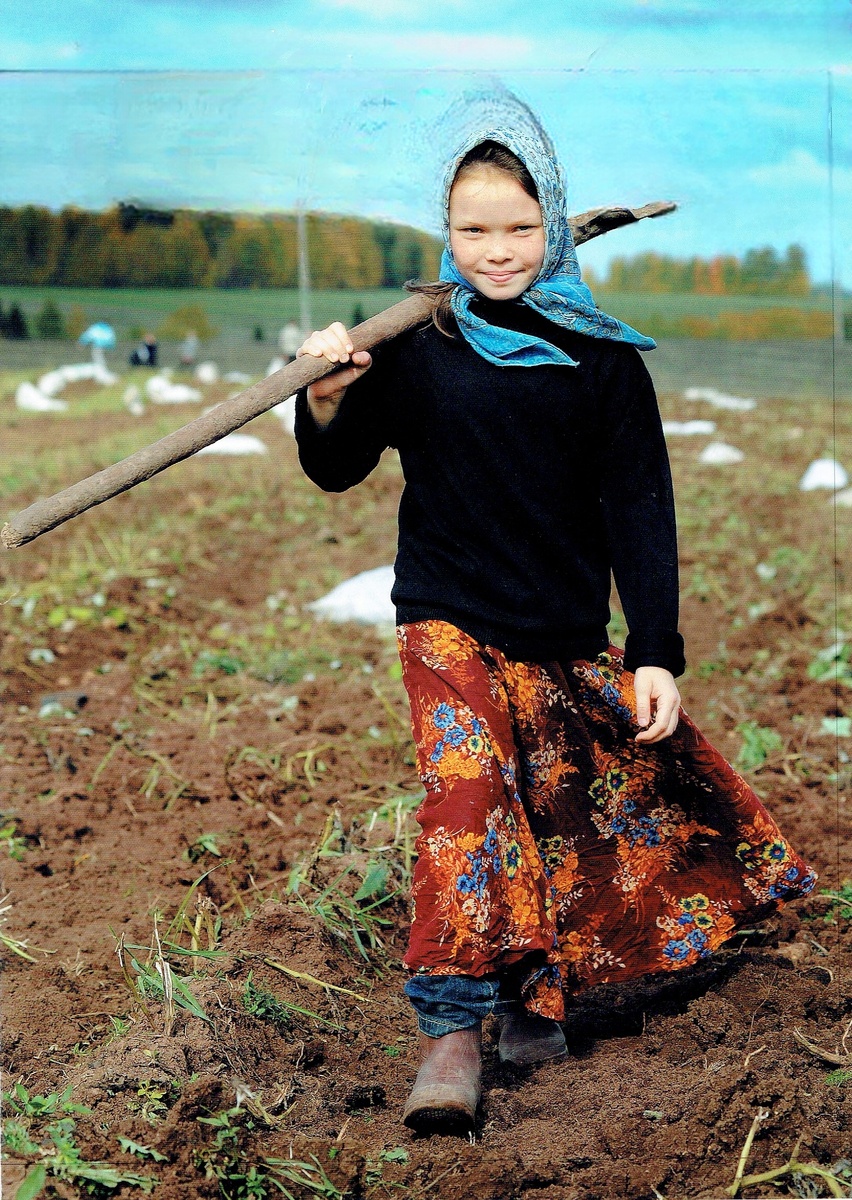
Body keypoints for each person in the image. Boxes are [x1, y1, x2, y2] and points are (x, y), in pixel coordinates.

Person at [293, 125, 816, 1137]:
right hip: (445, 618)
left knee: (553, 806)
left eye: (520, 227)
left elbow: (639, 508)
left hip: (563, 630)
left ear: (553, 225)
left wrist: (655, 647)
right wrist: (323, 395)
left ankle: (536, 996)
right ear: (445, 232)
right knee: (465, 798)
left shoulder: (601, 359)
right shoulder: (417, 343)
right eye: (473, 228)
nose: (496, 249)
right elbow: (336, 467)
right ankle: (451, 1030)